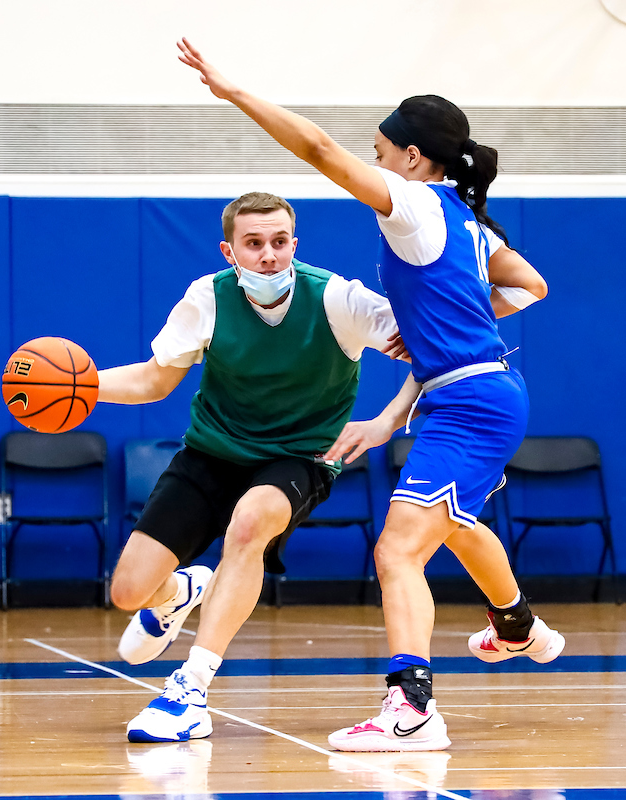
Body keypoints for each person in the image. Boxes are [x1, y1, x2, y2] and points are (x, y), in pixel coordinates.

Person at [177, 39, 555, 752]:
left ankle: (412, 708)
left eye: (380, 150)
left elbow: (317, 148)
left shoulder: (410, 205)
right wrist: (402, 389)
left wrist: (232, 92)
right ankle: (517, 625)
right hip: (467, 393)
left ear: (413, 157)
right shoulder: (469, 224)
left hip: (472, 400)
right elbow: (530, 287)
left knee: (397, 552)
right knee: (450, 522)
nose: (373, 160)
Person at [98, 191, 409, 743]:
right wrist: (82, 384)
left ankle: (189, 691)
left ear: (294, 243)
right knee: (127, 592)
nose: (269, 254)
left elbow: (434, 342)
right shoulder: (207, 298)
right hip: (211, 454)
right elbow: (153, 380)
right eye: (254, 243)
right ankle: (178, 593)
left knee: (250, 523)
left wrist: (386, 420)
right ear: (229, 250)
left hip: (299, 457)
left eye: (279, 241)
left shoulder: (338, 300)